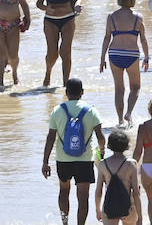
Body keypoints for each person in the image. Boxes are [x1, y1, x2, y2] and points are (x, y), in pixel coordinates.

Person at [43, 77, 106, 225]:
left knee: (64, 192)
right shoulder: (92, 111)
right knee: (83, 197)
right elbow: (101, 138)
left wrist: (45, 162)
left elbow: (50, 139)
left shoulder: (57, 111)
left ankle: (65, 222)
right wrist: (101, 153)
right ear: (82, 92)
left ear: (66, 92)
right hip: (85, 160)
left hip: (63, 160)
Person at [96, 130, 141, 225]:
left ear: (110, 145)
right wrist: (140, 215)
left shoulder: (103, 164)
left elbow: (98, 191)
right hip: (128, 207)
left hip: (109, 206)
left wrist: (98, 209)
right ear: (126, 145)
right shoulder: (131, 164)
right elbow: (136, 192)